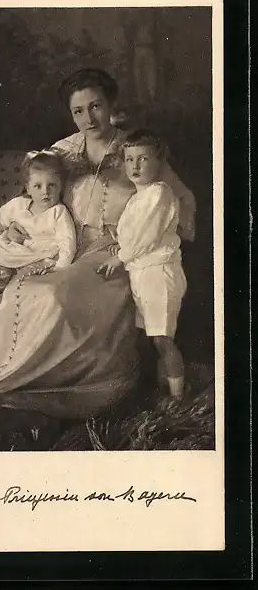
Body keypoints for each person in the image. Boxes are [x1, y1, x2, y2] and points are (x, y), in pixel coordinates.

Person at [0, 68, 196, 451]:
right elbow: (33, 195)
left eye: (96, 106)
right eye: (78, 110)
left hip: (113, 254)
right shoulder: (63, 150)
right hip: (65, 249)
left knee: (54, 297)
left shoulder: (136, 150)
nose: (88, 118)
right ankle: (8, 374)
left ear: (111, 104)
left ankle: (58, 381)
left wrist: (158, 238)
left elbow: (179, 199)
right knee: (35, 292)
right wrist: (12, 225)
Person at [98, 129, 187, 399]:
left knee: (162, 339)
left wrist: (120, 256)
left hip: (159, 274)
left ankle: (178, 398)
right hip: (141, 274)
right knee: (151, 338)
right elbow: (132, 235)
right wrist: (118, 244)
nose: (135, 166)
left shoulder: (159, 193)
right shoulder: (138, 197)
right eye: (129, 159)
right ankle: (162, 390)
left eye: (143, 159)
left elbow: (146, 237)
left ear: (159, 162)